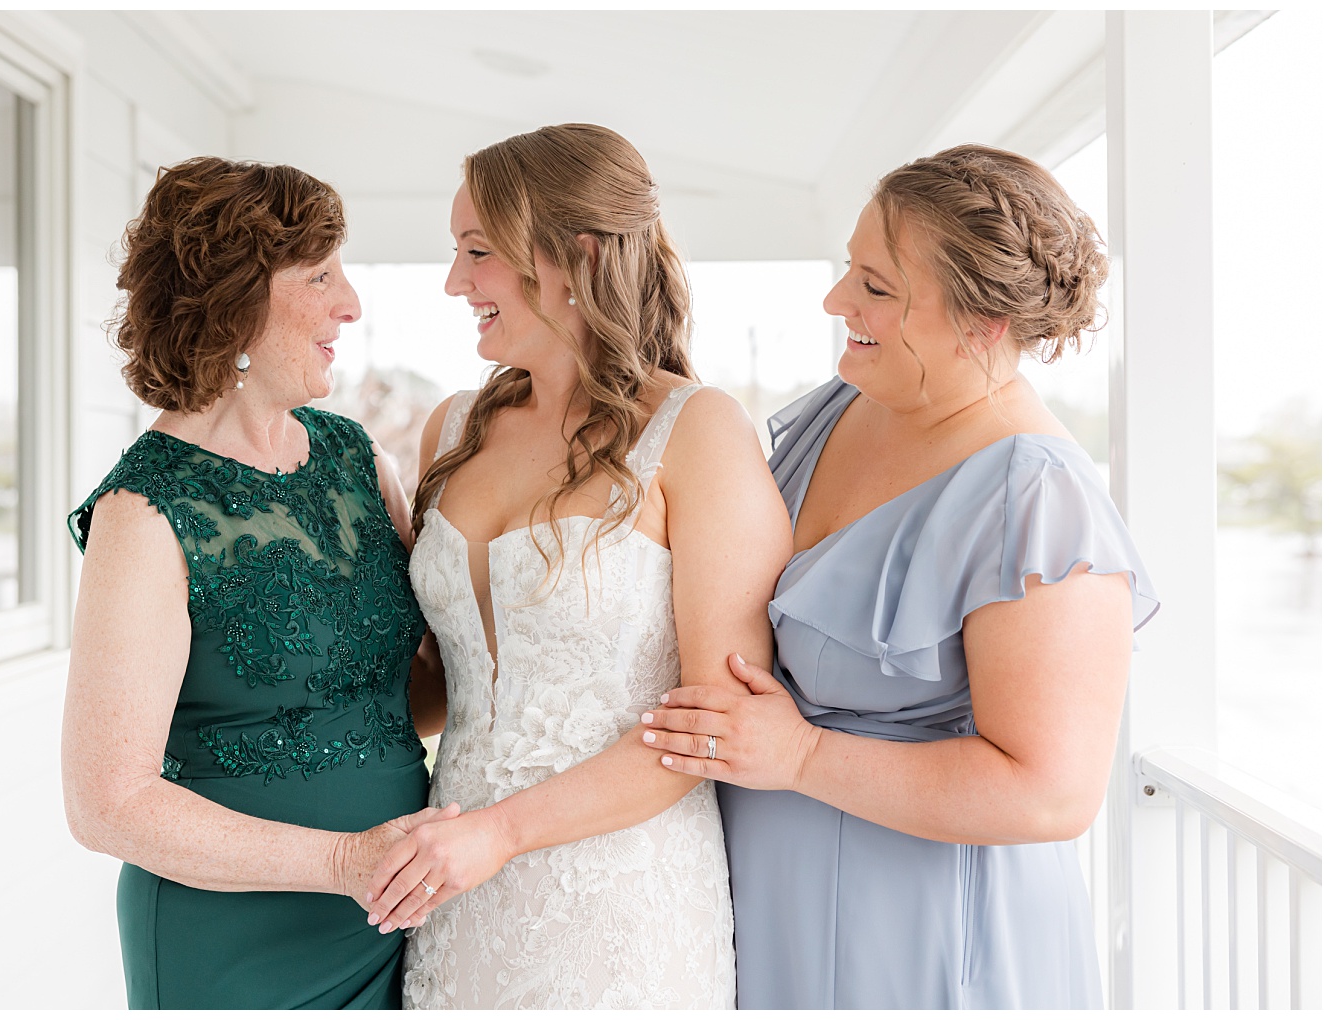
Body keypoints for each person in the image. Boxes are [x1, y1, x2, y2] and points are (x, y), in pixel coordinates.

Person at [643, 144, 1160, 1009]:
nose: (836, 301)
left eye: (876, 287)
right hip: (774, 917)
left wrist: (802, 755)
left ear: (983, 322)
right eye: (851, 268)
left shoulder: (1037, 497)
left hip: (931, 940)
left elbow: (1051, 793)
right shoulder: (846, 405)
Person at [358, 124, 792, 1008]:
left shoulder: (697, 432)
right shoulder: (453, 427)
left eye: (477, 251)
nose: (454, 282)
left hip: (620, 902)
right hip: (454, 889)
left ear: (577, 257)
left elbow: (715, 726)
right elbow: (437, 683)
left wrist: (501, 834)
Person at [60, 156, 455, 1009]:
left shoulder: (357, 459)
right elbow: (106, 804)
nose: (351, 304)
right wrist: (345, 860)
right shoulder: (145, 511)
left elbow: (403, 694)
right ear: (234, 301)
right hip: (236, 945)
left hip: (397, 920)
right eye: (320, 276)